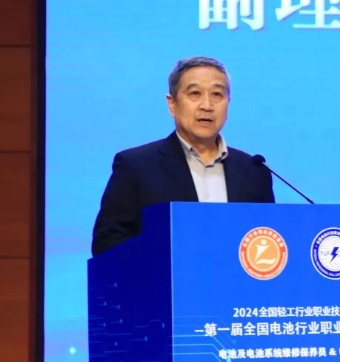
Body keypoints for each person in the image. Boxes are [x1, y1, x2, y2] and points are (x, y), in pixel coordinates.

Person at [91, 56, 275, 256]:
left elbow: (268, 240)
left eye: (217, 94)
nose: (207, 105)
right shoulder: (136, 166)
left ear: (228, 103)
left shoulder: (254, 171)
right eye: (195, 93)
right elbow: (107, 243)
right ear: (172, 104)